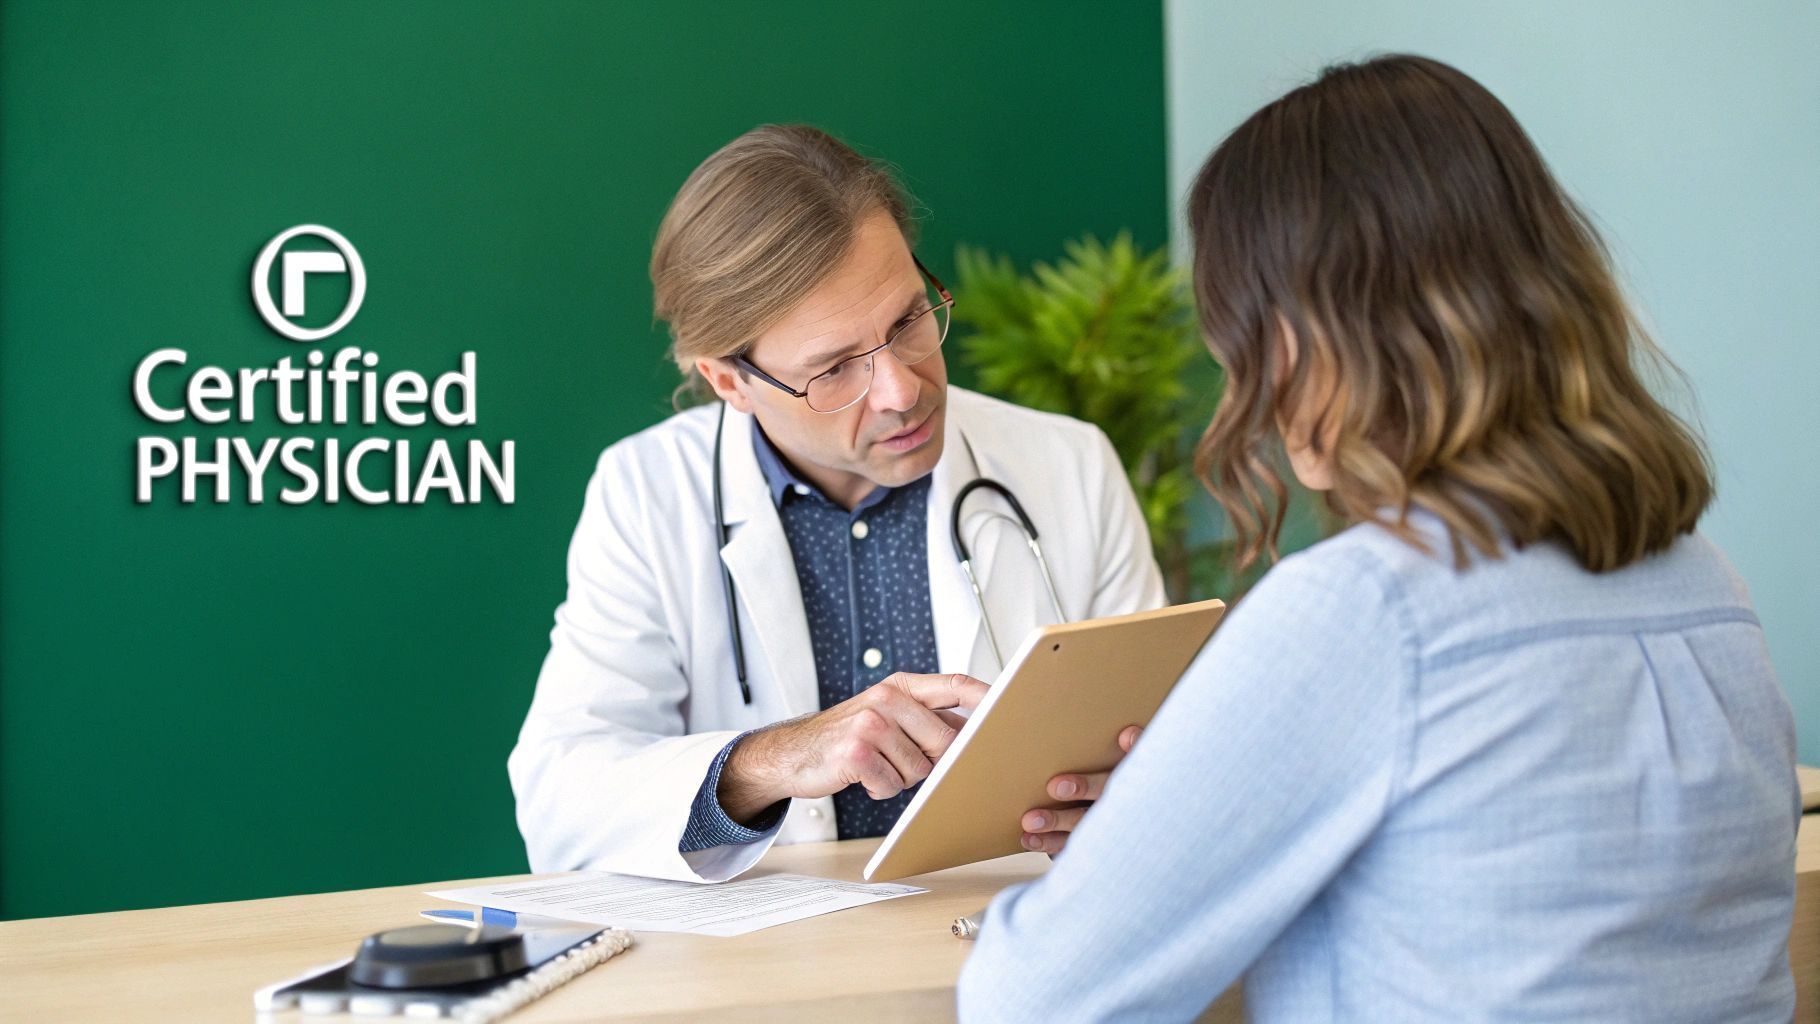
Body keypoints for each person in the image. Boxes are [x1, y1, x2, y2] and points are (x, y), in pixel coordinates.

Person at [957, 55, 1798, 1021]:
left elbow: (1041, 996)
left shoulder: (1366, 610)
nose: (1246, 398)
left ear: (1314, 334)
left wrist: (1147, 837)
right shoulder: (1707, 587)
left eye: (1240, 340)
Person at [508, 125, 1166, 883]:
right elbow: (562, 797)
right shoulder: (647, 493)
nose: (902, 390)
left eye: (909, 322)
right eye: (835, 369)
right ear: (730, 382)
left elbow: (1168, 752)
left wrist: (1133, 792)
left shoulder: (1068, 466)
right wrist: (774, 760)